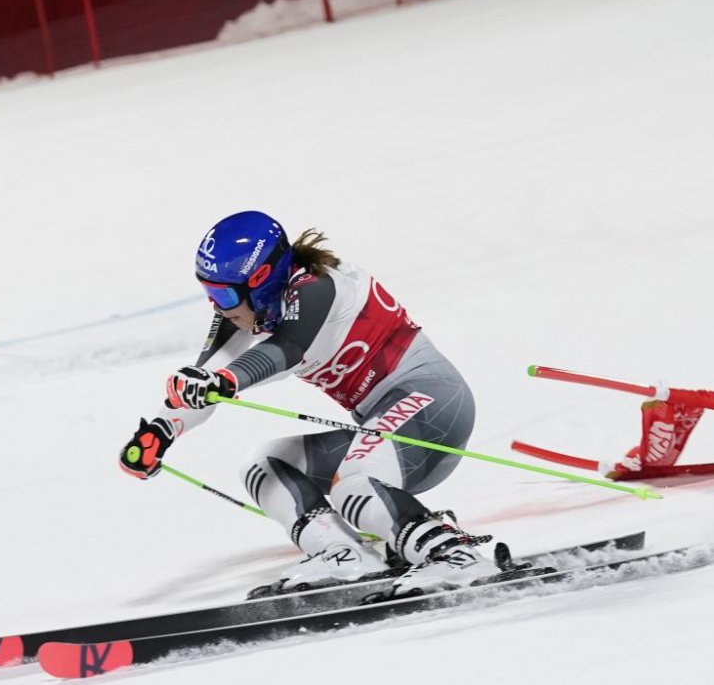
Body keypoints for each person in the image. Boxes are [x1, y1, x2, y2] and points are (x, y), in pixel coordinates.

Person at [119, 210, 490, 598]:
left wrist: (224, 380)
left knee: (353, 484)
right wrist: (160, 431)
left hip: (432, 406)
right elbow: (208, 374)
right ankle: (343, 555)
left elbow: (287, 349)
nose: (218, 307)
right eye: (208, 292)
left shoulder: (318, 287)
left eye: (223, 294)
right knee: (265, 466)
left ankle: (454, 555)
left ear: (262, 280)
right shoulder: (250, 307)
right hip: (388, 432)